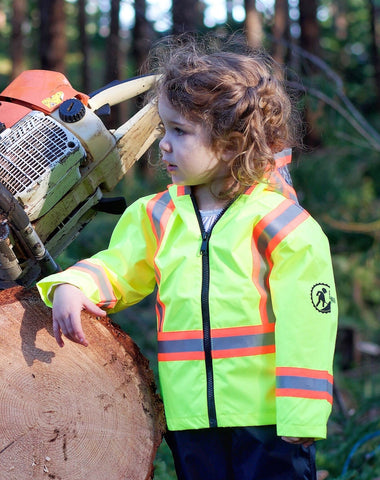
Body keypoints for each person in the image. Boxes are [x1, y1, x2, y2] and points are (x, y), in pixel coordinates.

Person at [37, 34, 338, 480]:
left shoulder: (282, 224)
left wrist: (303, 414)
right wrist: (75, 283)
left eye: (179, 131)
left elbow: (308, 325)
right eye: (164, 128)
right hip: (191, 422)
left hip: (270, 422)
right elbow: (119, 268)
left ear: (233, 144)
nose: (163, 144)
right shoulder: (157, 216)